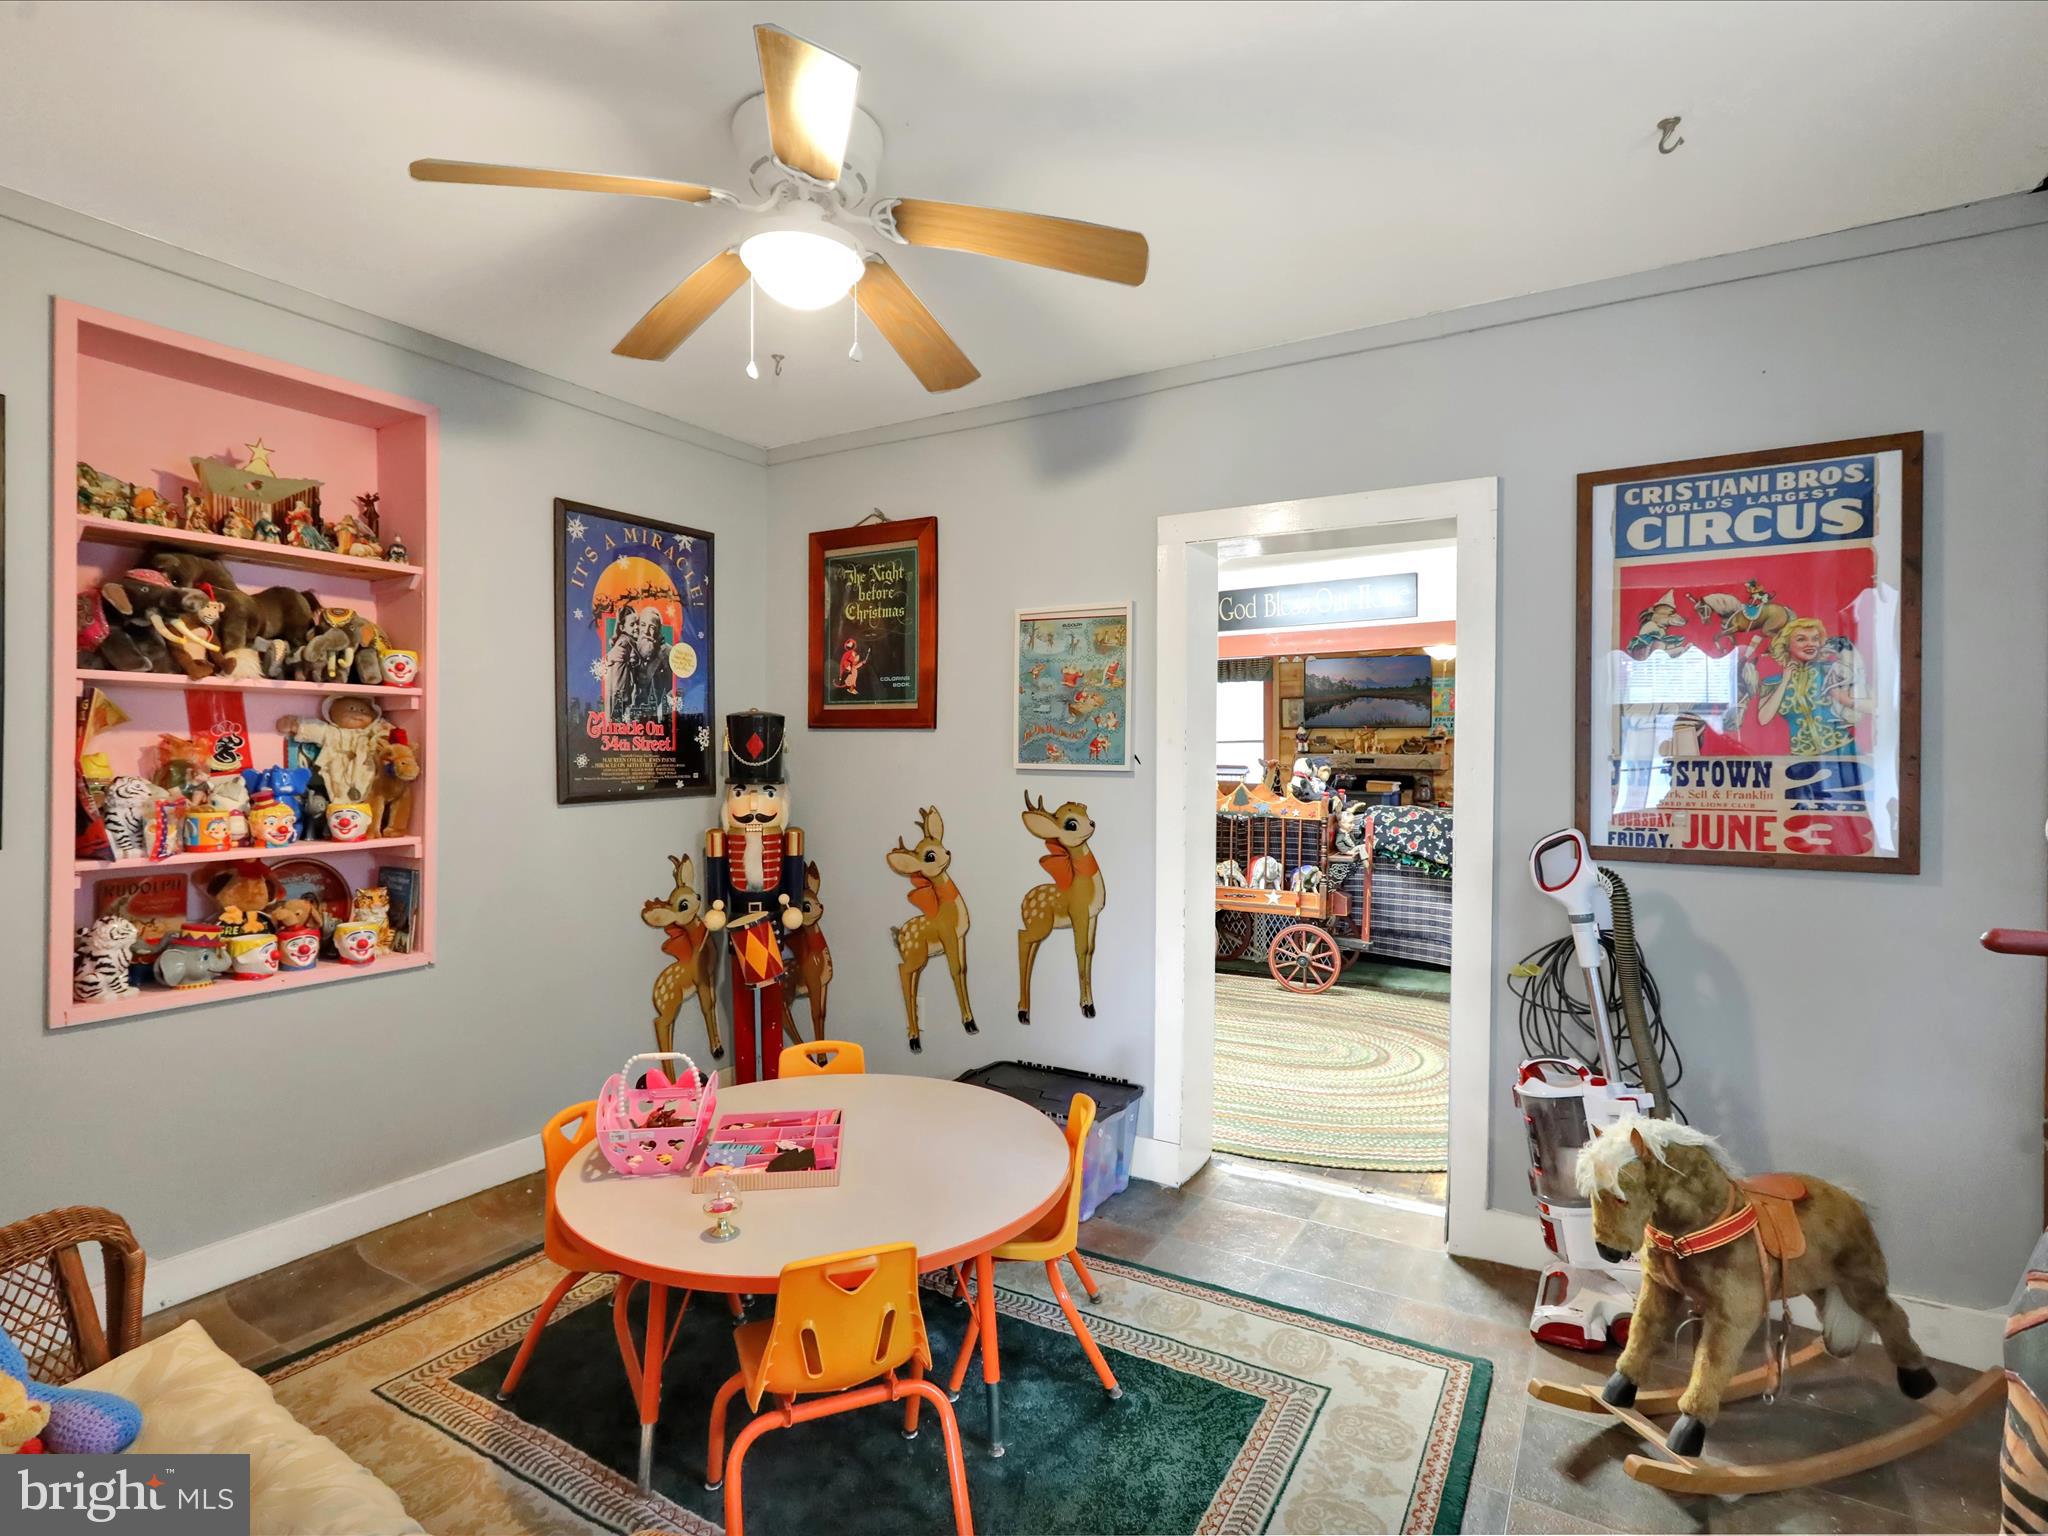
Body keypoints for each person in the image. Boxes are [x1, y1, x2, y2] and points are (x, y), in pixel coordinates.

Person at [1755, 616, 1860, 755]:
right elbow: (1763, 719)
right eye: (1801, 639)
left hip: (1844, 751)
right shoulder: (1772, 682)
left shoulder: (1832, 670)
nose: (1811, 644)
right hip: (1802, 758)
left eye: (1815, 639)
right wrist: (1785, 681)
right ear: (1787, 645)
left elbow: (1858, 704)